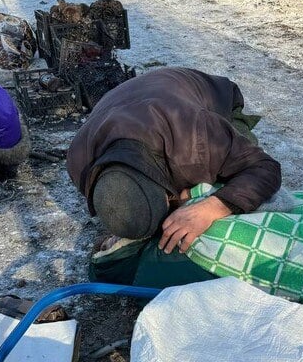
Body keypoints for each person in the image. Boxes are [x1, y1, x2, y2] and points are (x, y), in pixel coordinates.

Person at [67, 68, 281, 253]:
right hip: (145, 97)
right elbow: (117, 198)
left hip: (214, 96)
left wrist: (214, 206)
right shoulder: (79, 162)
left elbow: (265, 168)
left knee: (234, 176)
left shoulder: (196, 137)